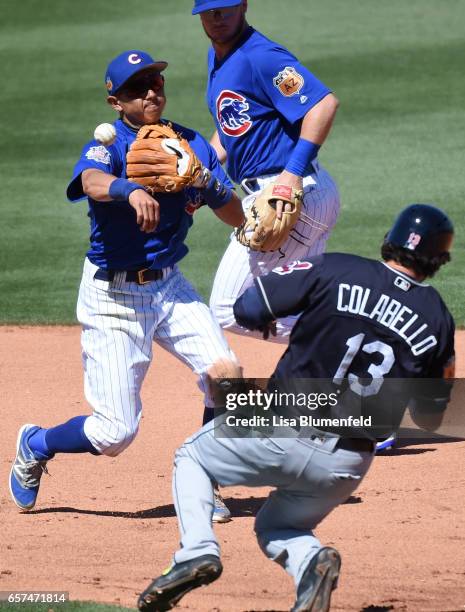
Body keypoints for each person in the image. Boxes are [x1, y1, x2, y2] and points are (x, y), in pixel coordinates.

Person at [136, 203, 455, 612]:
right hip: (346, 465)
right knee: (279, 526)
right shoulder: (439, 320)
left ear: (391, 240)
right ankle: (310, 563)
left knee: (192, 457)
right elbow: (431, 416)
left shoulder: (336, 269)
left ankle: (196, 552)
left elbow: (246, 309)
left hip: (281, 424)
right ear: (438, 260)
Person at [9, 50, 244, 522]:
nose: (152, 91)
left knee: (228, 375)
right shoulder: (108, 144)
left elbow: (233, 214)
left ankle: (205, 481)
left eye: (156, 81)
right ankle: (35, 444)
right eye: (138, 87)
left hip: (171, 288)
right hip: (113, 298)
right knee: (114, 434)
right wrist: (129, 189)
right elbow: (91, 181)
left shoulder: (189, 141)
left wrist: (211, 184)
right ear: (116, 101)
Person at [191, 0, 341, 342]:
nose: (217, 18)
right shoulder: (218, 56)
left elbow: (323, 105)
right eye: (209, 11)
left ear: (243, 5)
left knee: (228, 309)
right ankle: (340, 379)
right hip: (291, 195)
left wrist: (291, 175)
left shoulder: (261, 55)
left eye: (225, 9)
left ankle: (347, 345)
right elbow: (234, 125)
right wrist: (203, 171)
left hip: (289, 194)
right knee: (296, 304)